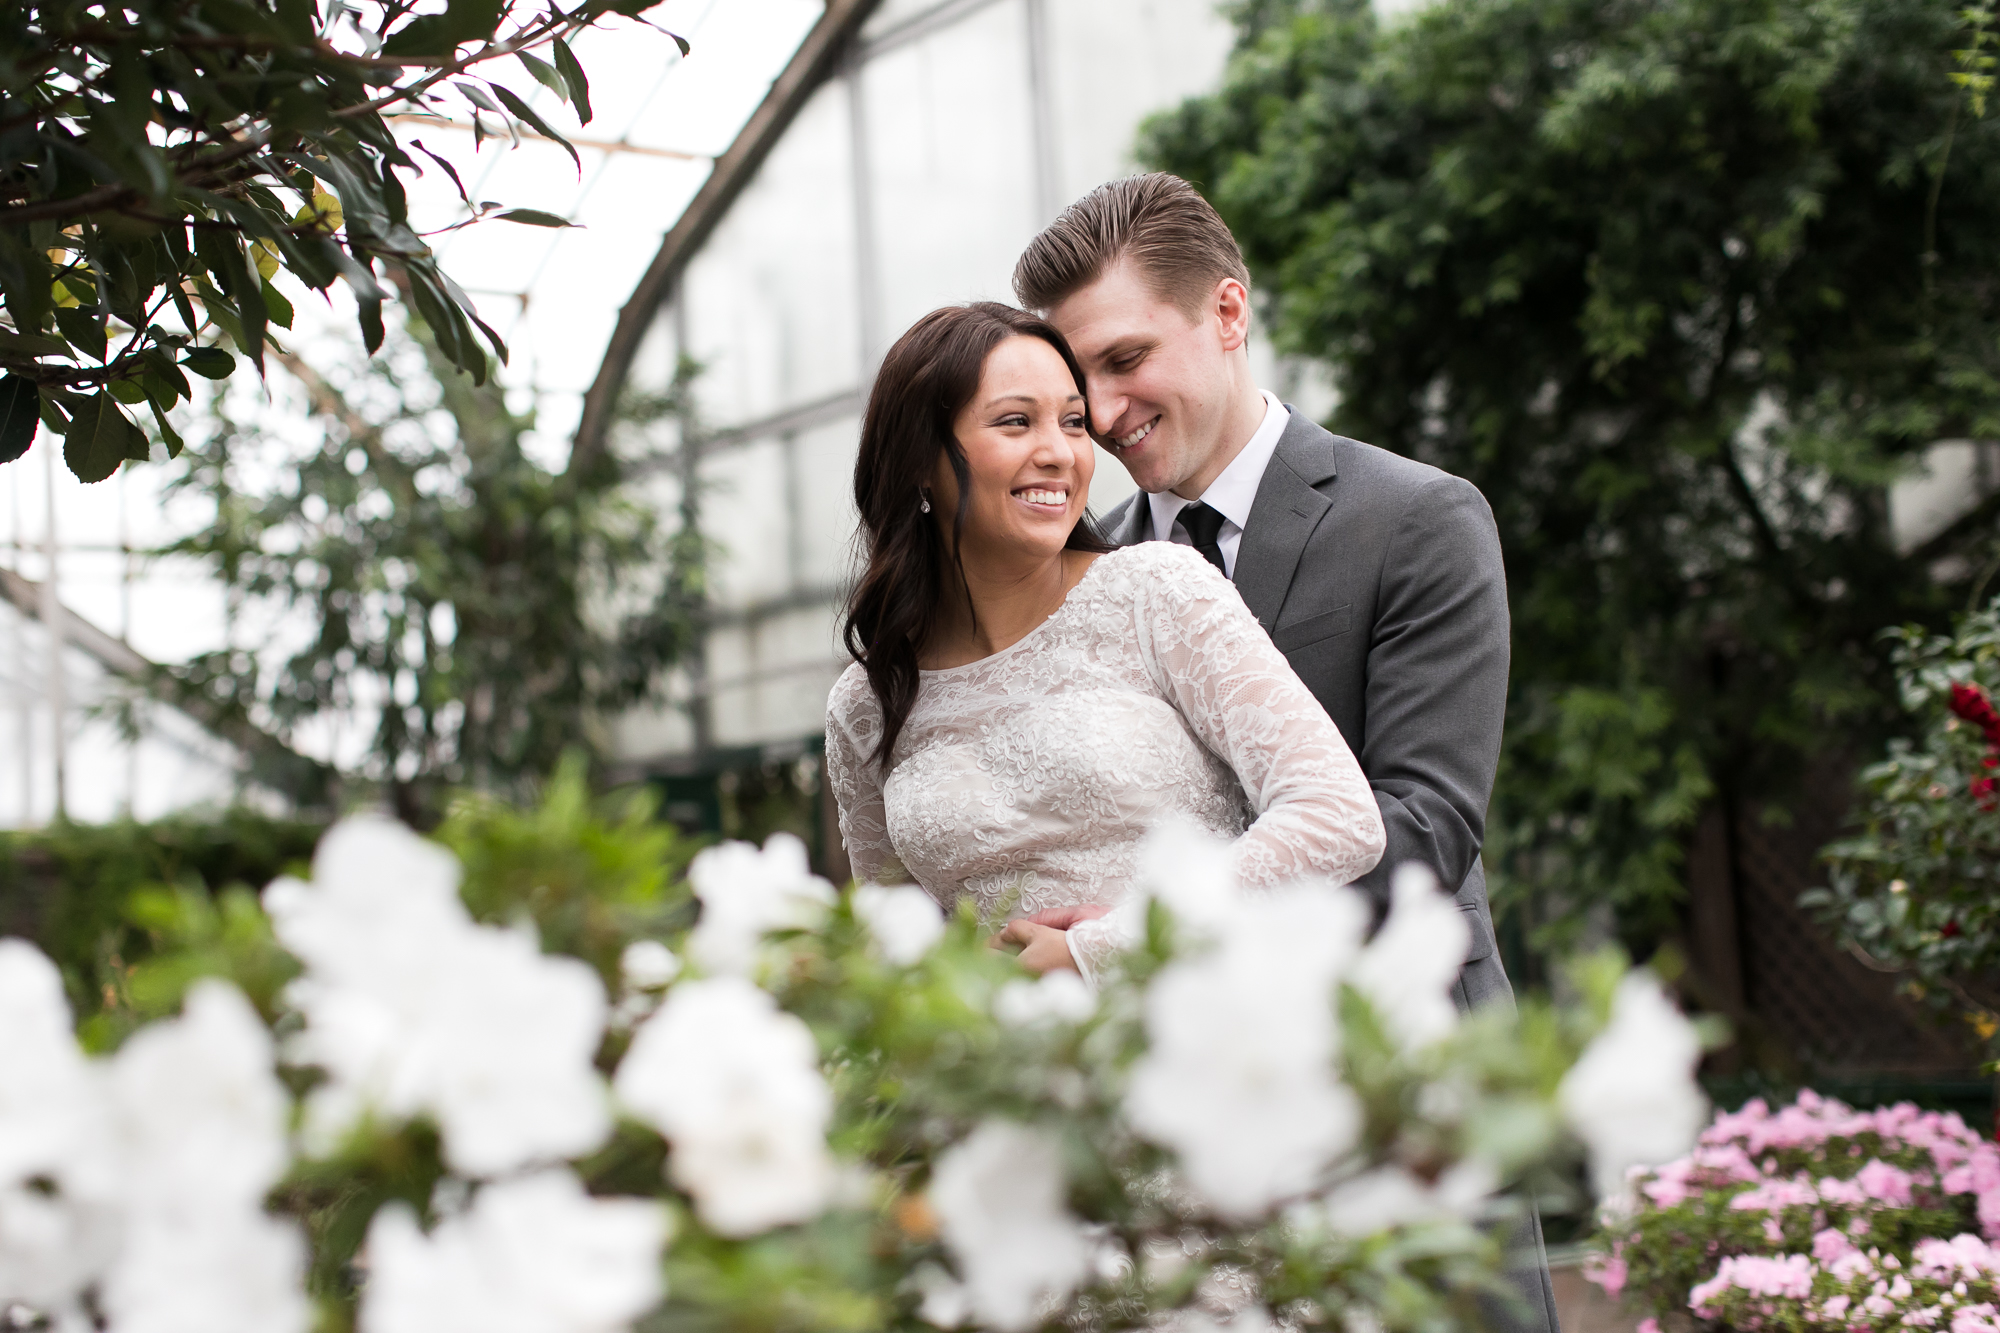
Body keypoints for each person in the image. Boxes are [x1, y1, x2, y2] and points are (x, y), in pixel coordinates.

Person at [1011, 173, 1554, 1333]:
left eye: (1121, 360)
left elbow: (1420, 834)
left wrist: (1117, 944)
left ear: (1224, 312)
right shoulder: (1080, 575)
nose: (1100, 416)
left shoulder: (1414, 518)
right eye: (1074, 385)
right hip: (1180, 1131)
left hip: (1406, 1088)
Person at [823, 302, 1386, 985]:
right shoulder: (866, 704)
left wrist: (1108, 948)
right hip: (1009, 1072)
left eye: (1072, 421)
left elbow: (1338, 817)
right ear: (920, 461)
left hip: (1202, 1036)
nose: (1059, 452)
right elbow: (896, 952)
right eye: (1014, 421)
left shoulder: (1156, 589)